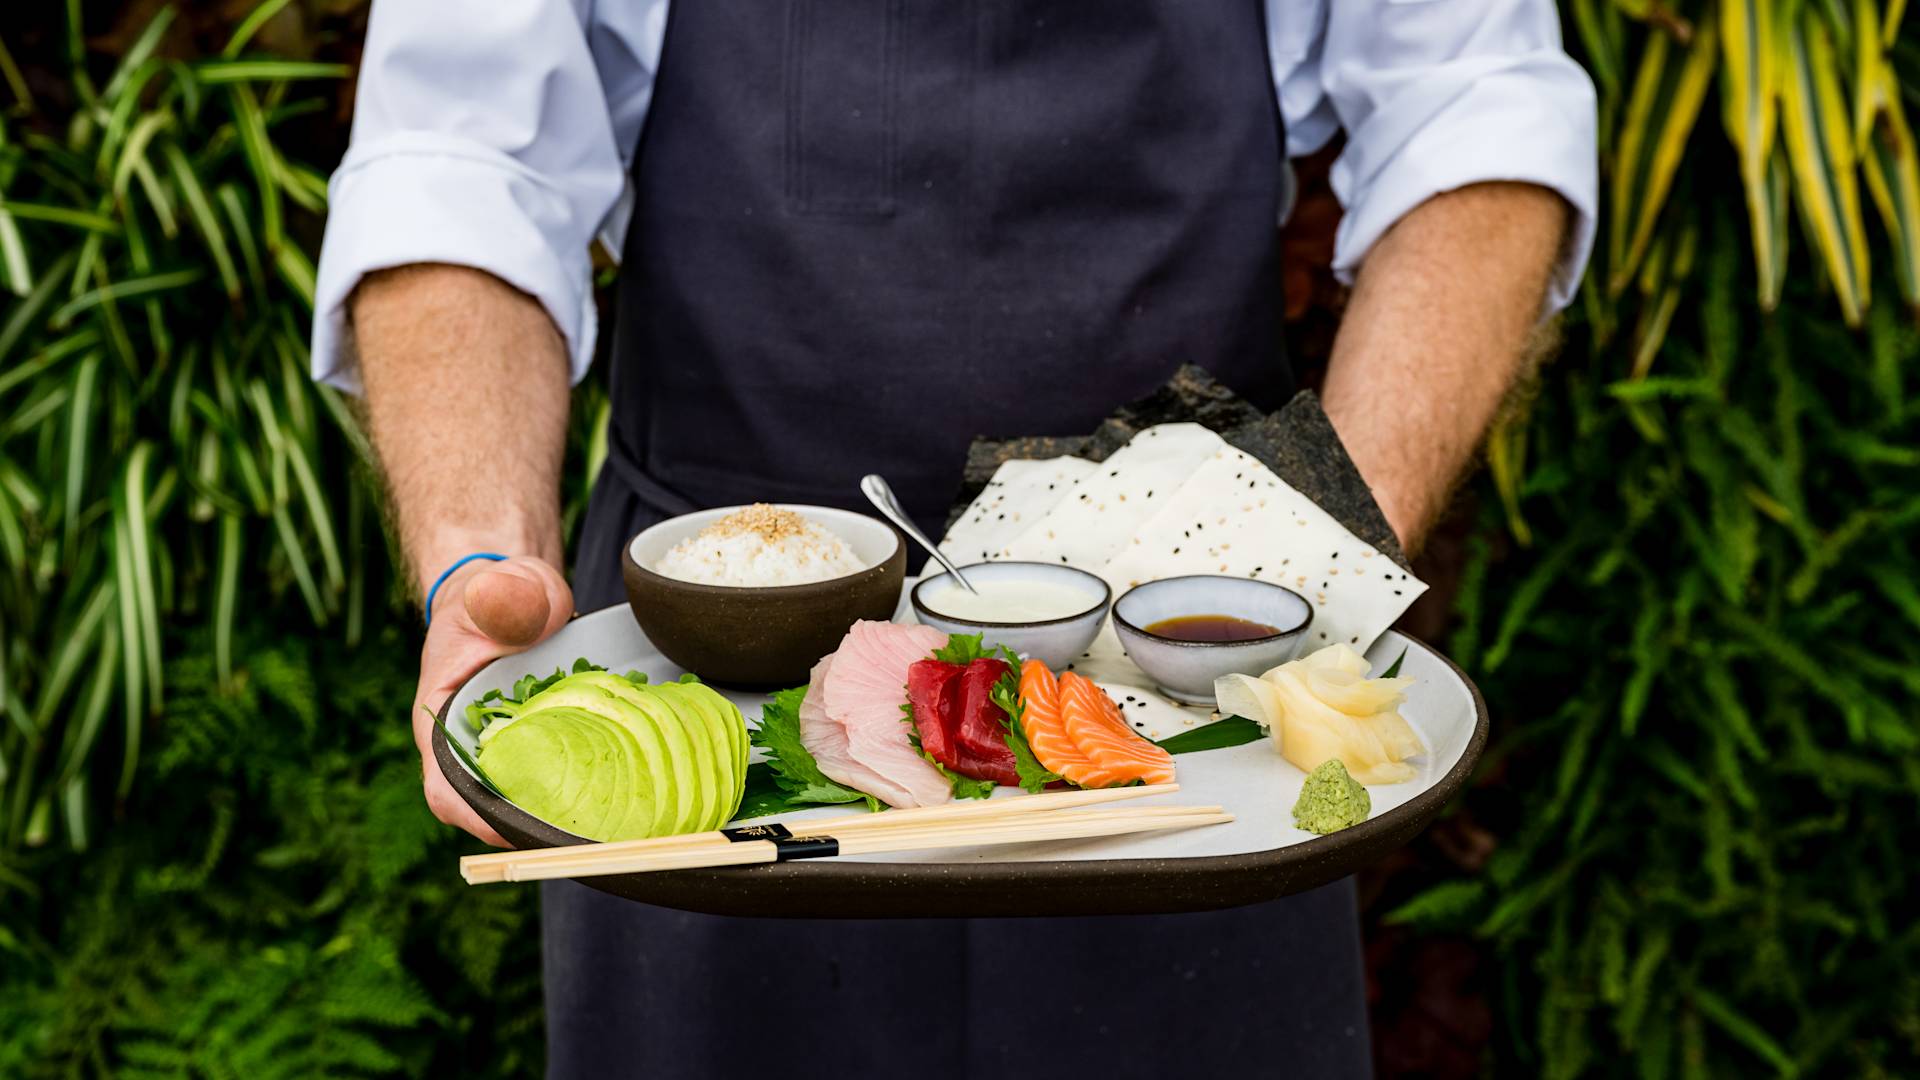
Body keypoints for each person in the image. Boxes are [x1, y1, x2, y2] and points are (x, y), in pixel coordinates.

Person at [313, 1, 1594, 1075]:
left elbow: (1470, 108)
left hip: (1199, 703)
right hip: (719, 677)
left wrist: (1312, 574)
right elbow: (461, 161)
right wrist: (483, 560)